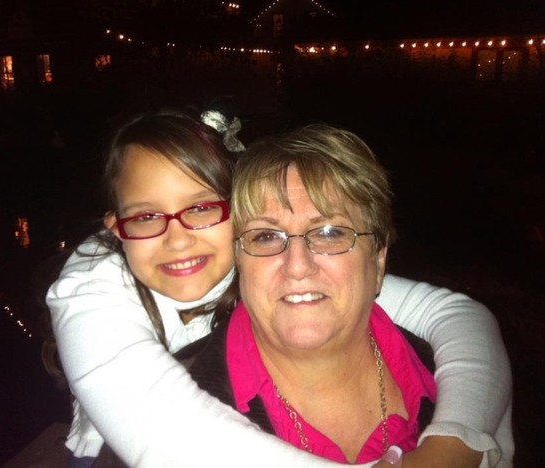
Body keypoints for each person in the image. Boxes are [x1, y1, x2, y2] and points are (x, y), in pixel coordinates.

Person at [46, 109, 513, 468]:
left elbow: (455, 313)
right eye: (267, 235)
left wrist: (456, 437)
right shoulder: (92, 291)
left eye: (329, 232)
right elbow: (162, 431)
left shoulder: (429, 364)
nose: (178, 238)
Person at [187, 123, 513, 466]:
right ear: (237, 259)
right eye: (265, 236)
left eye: (330, 233)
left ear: (378, 258)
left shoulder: (461, 382)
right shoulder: (177, 415)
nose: (297, 266)